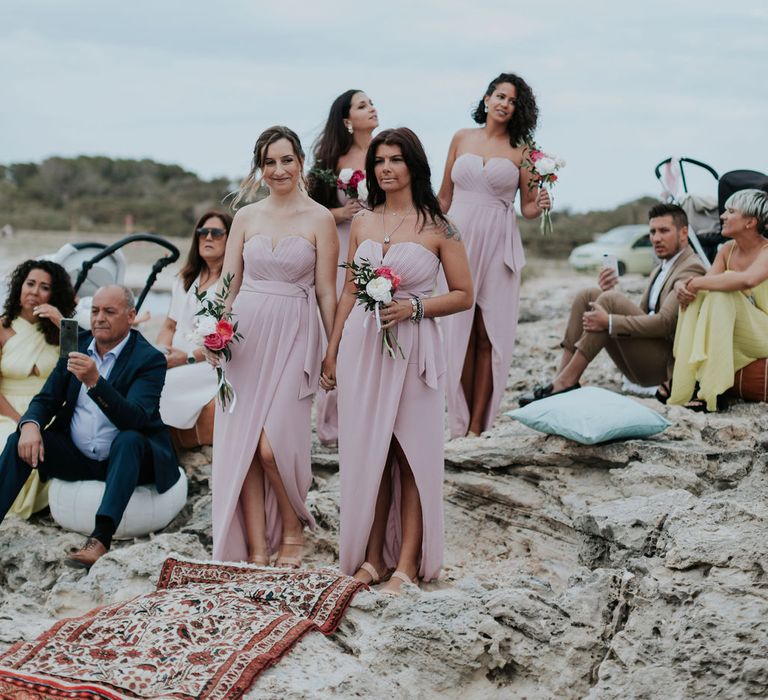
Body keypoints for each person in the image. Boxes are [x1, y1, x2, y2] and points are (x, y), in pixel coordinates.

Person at [322, 127, 473, 595]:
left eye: (395, 160)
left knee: (410, 454)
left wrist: (415, 307)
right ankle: (372, 558)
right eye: (379, 161)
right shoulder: (364, 223)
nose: (386, 169)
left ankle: (406, 564)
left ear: (414, 166)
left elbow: (466, 295)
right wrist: (331, 349)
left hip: (414, 348)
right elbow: (349, 289)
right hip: (363, 348)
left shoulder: (440, 226)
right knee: (371, 452)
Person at [210, 126, 337, 567]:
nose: (278, 170)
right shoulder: (246, 217)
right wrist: (214, 333)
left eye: (286, 160)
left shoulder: (320, 218)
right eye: (269, 162)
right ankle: (258, 546)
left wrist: (331, 350)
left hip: (296, 333)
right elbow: (228, 285)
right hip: (244, 338)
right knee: (245, 444)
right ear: (260, 168)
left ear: (301, 161)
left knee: (271, 446)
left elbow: (326, 292)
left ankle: (292, 527)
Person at [0, 285, 180, 567]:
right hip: (80, 456)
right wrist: (31, 425)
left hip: (129, 460)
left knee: (130, 438)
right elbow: (46, 399)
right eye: (95, 311)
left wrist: (96, 383)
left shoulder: (149, 359)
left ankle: (100, 539)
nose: (99, 318)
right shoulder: (77, 346)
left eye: (110, 311)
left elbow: (136, 418)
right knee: (18, 439)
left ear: (131, 316)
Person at [437, 72, 551, 438]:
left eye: (513, 100)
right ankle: (458, 419)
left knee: (489, 335)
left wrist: (542, 202)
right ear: (486, 99)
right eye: (500, 96)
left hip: (499, 241)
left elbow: (529, 208)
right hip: (457, 239)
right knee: (459, 331)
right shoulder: (460, 138)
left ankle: (477, 425)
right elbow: (443, 198)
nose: (505, 104)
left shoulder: (524, 150)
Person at [518, 203, 706, 405]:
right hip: (644, 355)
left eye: (664, 231)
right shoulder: (662, 266)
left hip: (664, 365)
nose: (656, 238)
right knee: (588, 295)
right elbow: (643, 314)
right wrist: (610, 295)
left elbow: (665, 324)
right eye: (652, 232)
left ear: (684, 233)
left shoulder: (691, 268)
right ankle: (561, 379)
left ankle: (565, 383)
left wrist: (608, 320)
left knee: (609, 301)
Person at [309, 89, 379, 446]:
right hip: (341, 251)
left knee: (371, 326)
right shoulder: (331, 160)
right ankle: (332, 421)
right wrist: (341, 212)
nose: (373, 108)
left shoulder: (385, 154)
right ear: (347, 120)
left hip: (379, 248)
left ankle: (366, 410)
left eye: (372, 102)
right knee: (338, 328)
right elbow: (310, 211)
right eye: (363, 105)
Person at [670, 189, 768, 411]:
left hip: (764, 331)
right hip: (737, 327)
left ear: (750, 222)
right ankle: (690, 384)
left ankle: (713, 390)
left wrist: (696, 283)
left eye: (730, 211)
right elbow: (706, 285)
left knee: (725, 284)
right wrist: (683, 286)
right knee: (699, 295)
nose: (722, 216)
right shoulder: (726, 250)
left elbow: (748, 280)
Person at [0, 260, 76, 518]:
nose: (34, 291)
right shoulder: (2, 328)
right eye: (30, 284)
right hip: (7, 409)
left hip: (48, 408)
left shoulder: (59, 332)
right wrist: (21, 420)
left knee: (49, 443)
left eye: (44, 287)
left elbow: (79, 362)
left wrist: (61, 321)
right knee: (9, 440)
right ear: (19, 287)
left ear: (53, 296)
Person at [156, 210, 232, 438]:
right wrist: (161, 352)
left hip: (207, 362)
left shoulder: (231, 284)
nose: (208, 238)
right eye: (202, 232)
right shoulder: (184, 279)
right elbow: (169, 326)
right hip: (174, 358)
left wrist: (186, 358)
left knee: (165, 387)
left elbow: (227, 340)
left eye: (216, 233)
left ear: (231, 238)